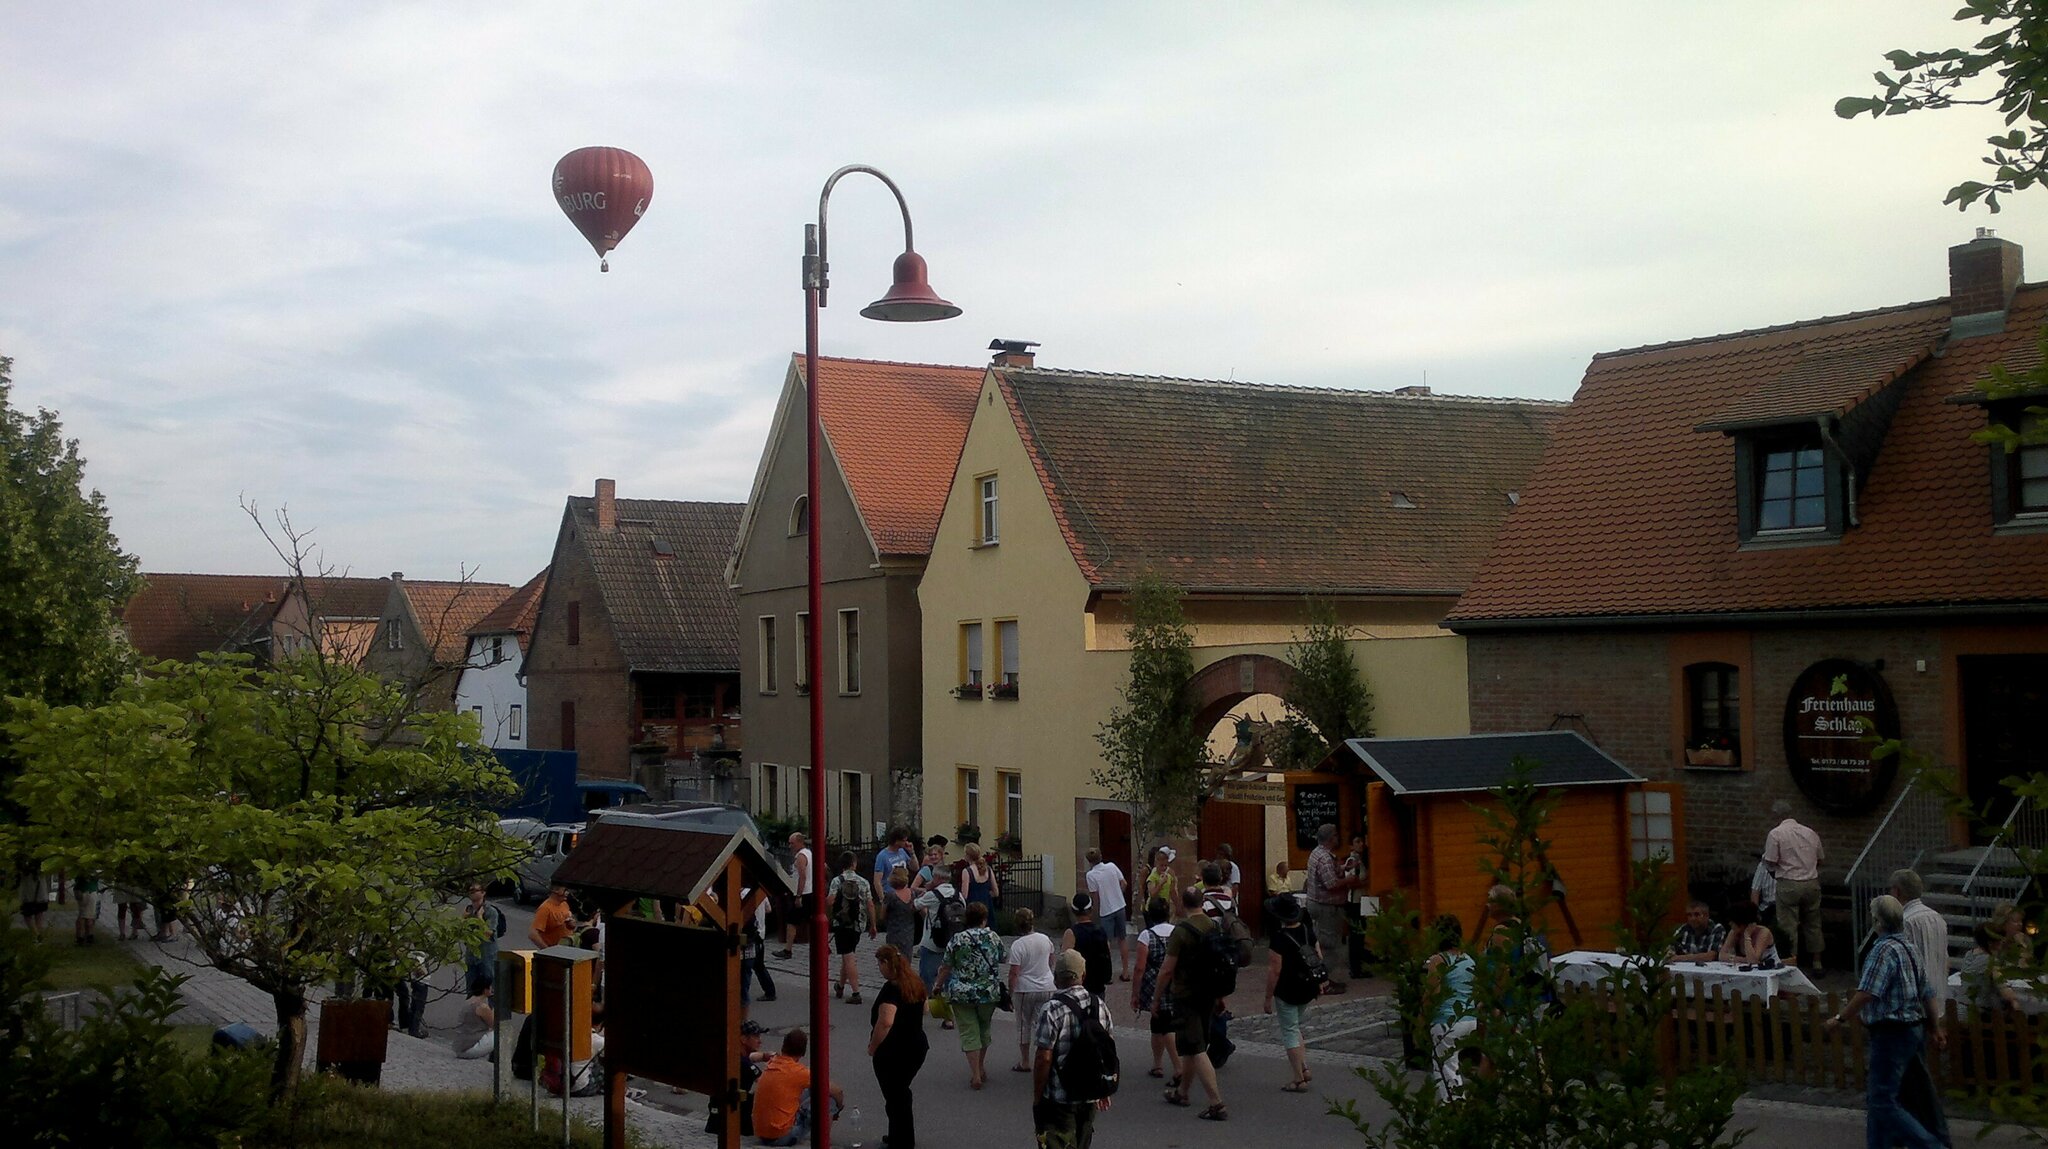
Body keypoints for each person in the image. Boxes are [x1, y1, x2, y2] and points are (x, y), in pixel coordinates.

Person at [1824, 895, 1946, 1149]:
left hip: (1892, 1032)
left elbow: (1868, 991)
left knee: (1882, 1099)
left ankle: (1931, 1145)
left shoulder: (1882, 950)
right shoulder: (1910, 948)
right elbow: (1927, 992)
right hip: (1914, 1028)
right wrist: (1934, 1027)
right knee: (1914, 1095)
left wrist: (1840, 1018)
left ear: (1877, 921)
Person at [1155, 886, 1228, 1120]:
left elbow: (1167, 969)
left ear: (1183, 904)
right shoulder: (1213, 926)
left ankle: (1216, 1103)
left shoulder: (1181, 931)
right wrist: (1220, 996)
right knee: (1190, 1046)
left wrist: (1156, 998)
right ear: (1202, 902)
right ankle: (1182, 1092)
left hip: (1186, 994)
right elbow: (1218, 964)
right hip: (1208, 992)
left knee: (1196, 1048)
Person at [1033, 948, 1115, 1149]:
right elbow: (1106, 1050)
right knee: (1082, 1141)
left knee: (1057, 1141)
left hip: (1060, 1094)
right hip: (1089, 1091)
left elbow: (1044, 1057)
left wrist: (1037, 1095)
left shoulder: (1051, 1009)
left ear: (1055, 977)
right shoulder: (1100, 1005)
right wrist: (1104, 1087)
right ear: (1083, 975)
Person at [934, 901, 1007, 1089]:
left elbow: (946, 966)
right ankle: (981, 1066)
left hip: (961, 993)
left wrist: (937, 986)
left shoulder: (957, 939)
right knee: (984, 1028)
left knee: (968, 1031)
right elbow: (1003, 957)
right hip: (987, 992)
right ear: (984, 919)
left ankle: (975, 1074)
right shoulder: (993, 937)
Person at [868, 945, 930, 1149]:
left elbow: (886, 1021)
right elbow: (926, 1009)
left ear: (886, 963)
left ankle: (901, 1140)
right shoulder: (915, 982)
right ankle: (898, 1134)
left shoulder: (891, 989)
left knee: (895, 1096)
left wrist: (873, 1046)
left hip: (894, 1050)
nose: (879, 968)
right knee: (900, 1092)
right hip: (917, 1046)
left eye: (879, 963)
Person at [1263, 893, 1323, 1093]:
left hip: (1288, 989)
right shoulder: (1307, 931)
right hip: (1307, 986)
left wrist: (1267, 997)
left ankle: (1298, 1078)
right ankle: (1304, 1067)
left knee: (1289, 1031)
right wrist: (1320, 982)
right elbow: (1317, 956)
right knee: (1295, 1026)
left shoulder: (1279, 938)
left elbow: (1275, 970)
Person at [754, 1028, 844, 1147]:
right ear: (803, 1052)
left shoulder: (773, 1062)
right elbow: (837, 1091)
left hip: (762, 1133)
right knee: (828, 1099)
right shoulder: (799, 1072)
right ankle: (824, 1141)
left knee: (807, 1089)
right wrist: (839, 1107)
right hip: (782, 1137)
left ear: (783, 1047)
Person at [1762, 804, 1824, 971]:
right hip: (1812, 882)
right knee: (1813, 923)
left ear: (1777, 817)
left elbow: (1770, 861)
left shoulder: (1776, 834)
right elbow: (1821, 859)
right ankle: (1817, 962)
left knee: (1788, 926)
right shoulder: (1810, 832)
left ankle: (1791, 963)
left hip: (1788, 882)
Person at [1423, 914, 1477, 1101]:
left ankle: (1454, 1105)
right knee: (1454, 1064)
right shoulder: (1469, 960)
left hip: (1447, 1021)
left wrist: (1422, 1017)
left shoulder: (1438, 960)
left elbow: (1433, 993)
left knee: (1445, 1067)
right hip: (1469, 1019)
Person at [1128, 896, 1181, 1084]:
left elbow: (1140, 967)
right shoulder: (1177, 932)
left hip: (1153, 983)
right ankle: (1157, 1064)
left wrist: (1135, 993)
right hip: (1175, 980)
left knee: (1164, 1024)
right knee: (1158, 1024)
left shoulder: (1147, 935)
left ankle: (1177, 1067)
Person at [1304, 824, 1358, 991]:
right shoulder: (1325, 858)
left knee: (1321, 942)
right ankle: (1323, 982)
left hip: (1317, 904)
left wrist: (1343, 868)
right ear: (1329, 838)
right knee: (1330, 946)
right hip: (1326, 907)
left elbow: (1327, 874)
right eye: (1335, 835)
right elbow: (1331, 884)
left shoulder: (1317, 853)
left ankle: (1321, 979)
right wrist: (1349, 880)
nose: (1338, 838)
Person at [1893, 869, 1951, 1015]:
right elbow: (1945, 958)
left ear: (1897, 892)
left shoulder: (1905, 921)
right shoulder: (1937, 918)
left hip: (1914, 1004)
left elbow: (1903, 964)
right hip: (1939, 996)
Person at [1008, 908, 1056, 1072]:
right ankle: (1044, 1057)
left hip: (1025, 988)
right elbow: (1051, 960)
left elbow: (1014, 972)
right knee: (1042, 1024)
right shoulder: (1045, 939)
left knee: (1023, 1025)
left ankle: (1025, 1060)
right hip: (1047, 986)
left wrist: (1010, 992)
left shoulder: (1018, 945)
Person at [913, 868, 963, 1020]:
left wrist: (924, 891)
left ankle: (924, 1006)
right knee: (948, 976)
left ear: (937, 878)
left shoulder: (932, 895)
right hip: (952, 941)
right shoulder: (958, 895)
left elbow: (914, 906)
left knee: (926, 976)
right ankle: (949, 1016)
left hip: (932, 942)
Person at [826, 851, 875, 1004]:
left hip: (842, 924)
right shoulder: (863, 881)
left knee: (848, 956)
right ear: (854, 864)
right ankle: (840, 986)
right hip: (858, 923)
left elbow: (830, 901)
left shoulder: (837, 881)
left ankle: (856, 992)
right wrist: (873, 924)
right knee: (848, 954)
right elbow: (870, 904)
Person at [705, 1020, 770, 1136]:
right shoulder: (745, 1065)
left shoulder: (730, 1055)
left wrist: (764, 1056)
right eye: (756, 1036)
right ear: (743, 1039)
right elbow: (767, 1083)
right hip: (734, 1115)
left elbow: (748, 1057)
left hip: (716, 1116)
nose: (760, 1041)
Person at [1082, 849, 1131, 982]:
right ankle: (1126, 971)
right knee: (1122, 939)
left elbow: (1095, 895)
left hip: (1106, 910)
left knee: (1106, 942)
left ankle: (1107, 974)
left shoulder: (1091, 875)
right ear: (1101, 856)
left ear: (1089, 861)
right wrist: (1119, 894)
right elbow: (1124, 883)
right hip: (1120, 905)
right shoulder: (1111, 866)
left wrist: (1095, 911)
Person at [1958, 923, 2022, 1018]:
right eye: (2000, 940)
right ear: (1991, 942)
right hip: (1980, 1016)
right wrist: (2015, 999)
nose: (2002, 942)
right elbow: (2005, 992)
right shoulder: (1991, 962)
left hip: (1961, 1011)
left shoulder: (1968, 955)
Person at [1061, 893, 1113, 999]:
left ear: (1073, 911)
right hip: (1098, 983)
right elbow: (1108, 952)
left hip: (1078, 985)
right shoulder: (1101, 931)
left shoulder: (1071, 933)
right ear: (1091, 910)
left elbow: (1065, 959)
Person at [459, 883, 505, 992]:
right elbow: (460, 933)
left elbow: (488, 933)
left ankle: (491, 1009)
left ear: (483, 893)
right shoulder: (468, 911)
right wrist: (462, 919)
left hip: (487, 955)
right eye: (470, 890)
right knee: (471, 988)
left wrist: (480, 918)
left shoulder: (491, 911)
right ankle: (473, 1008)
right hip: (471, 955)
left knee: (490, 987)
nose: (472, 892)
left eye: (475, 890)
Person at [776, 831, 814, 959]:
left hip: (803, 893)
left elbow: (802, 877)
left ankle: (788, 950)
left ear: (799, 842)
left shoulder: (801, 856)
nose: (790, 846)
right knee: (807, 920)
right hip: (808, 892)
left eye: (792, 843)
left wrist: (798, 896)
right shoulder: (809, 853)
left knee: (792, 921)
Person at [741, 885, 777, 1006]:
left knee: (748, 967)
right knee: (758, 965)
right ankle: (770, 991)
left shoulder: (743, 894)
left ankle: (744, 997)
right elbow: (768, 909)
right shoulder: (760, 892)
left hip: (751, 934)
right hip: (761, 933)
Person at [454, 970, 495, 1059]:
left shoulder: (468, 1001)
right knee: (500, 1033)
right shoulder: (482, 1007)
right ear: (485, 989)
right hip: (469, 1049)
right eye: (491, 986)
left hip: (460, 1047)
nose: (492, 988)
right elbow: (494, 1025)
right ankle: (495, 1060)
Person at [880, 867, 919, 956]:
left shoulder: (890, 896)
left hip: (893, 933)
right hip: (909, 934)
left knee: (893, 960)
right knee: (906, 961)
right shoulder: (913, 894)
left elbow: (882, 916)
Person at [874, 826, 917, 900]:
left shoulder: (902, 851)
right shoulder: (882, 856)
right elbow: (877, 881)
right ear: (896, 841)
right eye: (903, 840)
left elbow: (915, 868)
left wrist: (912, 853)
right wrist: (882, 899)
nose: (906, 842)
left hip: (904, 893)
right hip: (891, 894)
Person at [529, 884, 578, 949]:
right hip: (555, 950)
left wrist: (572, 924)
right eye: (565, 890)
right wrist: (548, 951)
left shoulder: (564, 904)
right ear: (555, 890)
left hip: (567, 948)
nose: (567, 893)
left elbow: (570, 926)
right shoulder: (545, 908)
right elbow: (533, 935)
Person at [959, 843, 999, 911]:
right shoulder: (988, 869)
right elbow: (996, 893)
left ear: (968, 856)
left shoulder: (967, 871)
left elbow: (964, 896)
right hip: (987, 906)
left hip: (973, 908)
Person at [17, 865, 51, 942]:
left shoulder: (25, 868)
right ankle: (37, 937)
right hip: (40, 895)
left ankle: (36, 936)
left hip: (30, 896)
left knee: (29, 916)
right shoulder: (41, 867)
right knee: (38, 915)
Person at [1141, 846, 1178, 915]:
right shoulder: (1152, 877)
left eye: (1165, 866)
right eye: (1161, 865)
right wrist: (1161, 883)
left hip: (1164, 907)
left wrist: (1177, 906)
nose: (1164, 868)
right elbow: (1152, 894)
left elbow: (1172, 891)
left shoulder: (1169, 875)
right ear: (1156, 863)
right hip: (1153, 909)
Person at [72, 874, 100, 945]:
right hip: (90, 891)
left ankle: (80, 936)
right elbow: (96, 878)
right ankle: (88, 935)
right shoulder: (93, 868)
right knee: (89, 916)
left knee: (82, 914)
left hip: (80, 890)